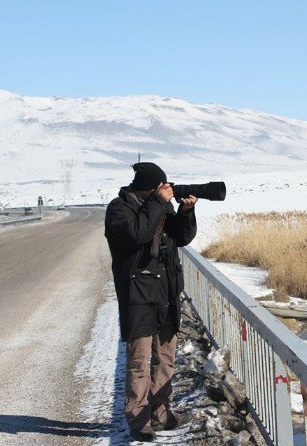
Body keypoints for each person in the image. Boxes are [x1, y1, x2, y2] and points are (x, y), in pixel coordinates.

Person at [104, 162, 197, 441]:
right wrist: (159, 202)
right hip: (138, 298)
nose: (165, 191)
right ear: (148, 188)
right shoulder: (119, 209)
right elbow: (138, 234)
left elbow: (182, 237)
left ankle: (161, 413)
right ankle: (138, 420)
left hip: (166, 295)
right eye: (160, 187)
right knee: (139, 362)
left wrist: (186, 211)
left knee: (165, 359)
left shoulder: (159, 206)